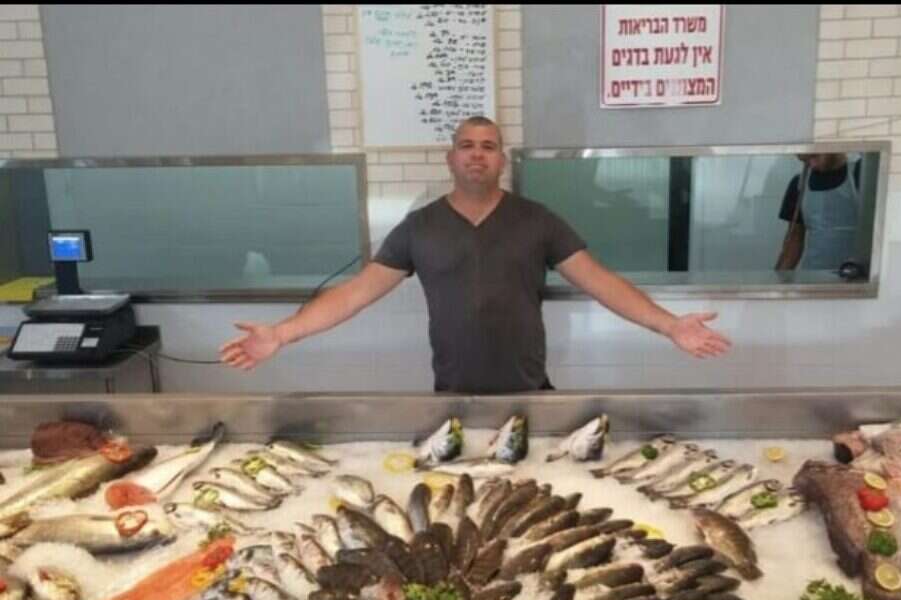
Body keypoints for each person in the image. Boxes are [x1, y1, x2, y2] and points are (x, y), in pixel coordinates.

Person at [220, 116, 731, 393]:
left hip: (530, 394)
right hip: (453, 397)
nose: (477, 154)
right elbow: (355, 293)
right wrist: (282, 333)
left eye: (488, 146)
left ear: (501, 160)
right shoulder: (419, 227)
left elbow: (602, 282)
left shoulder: (538, 220)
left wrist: (669, 325)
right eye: (467, 145)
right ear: (451, 157)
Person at [775, 153, 862, 271]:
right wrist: (777, 279)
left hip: (854, 276)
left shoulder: (862, 173)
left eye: (814, 157)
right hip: (813, 277)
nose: (812, 165)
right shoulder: (799, 184)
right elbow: (793, 242)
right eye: (805, 161)